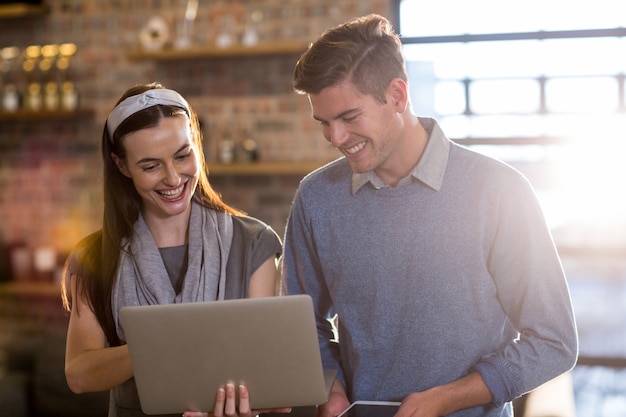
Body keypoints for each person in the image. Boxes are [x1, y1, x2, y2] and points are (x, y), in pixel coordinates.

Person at [282, 14, 578, 417]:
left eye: (350, 118)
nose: (335, 139)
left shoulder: (499, 192)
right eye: (324, 123)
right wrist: (329, 385)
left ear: (398, 96)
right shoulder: (316, 197)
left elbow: (554, 342)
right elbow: (300, 323)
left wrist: (446, 398)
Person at [61, 82, 289, 417]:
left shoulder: (254, 243)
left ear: (197, 145)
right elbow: (79, 372)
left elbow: (273, 385)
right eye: (151, 166)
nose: (173, 178)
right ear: (122, 166)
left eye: (182, 156)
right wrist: (156, 346)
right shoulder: (95, 256)